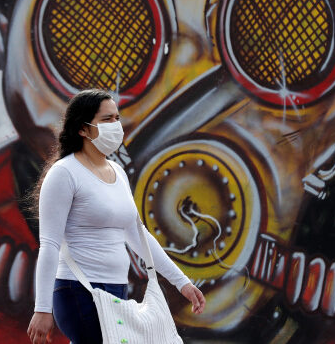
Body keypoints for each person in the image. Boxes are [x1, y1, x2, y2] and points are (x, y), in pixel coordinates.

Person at [27, 89, 206, 344]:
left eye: (117, 118)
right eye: (107, 119)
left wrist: (182, 283)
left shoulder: (118, 172)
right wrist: (42, 308)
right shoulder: (64, 174)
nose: (116, 125)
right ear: (82, 129)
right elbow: (50, 245)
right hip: (78, 291)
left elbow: (137, 235)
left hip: (117, 291)